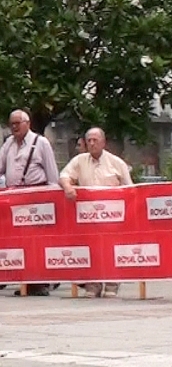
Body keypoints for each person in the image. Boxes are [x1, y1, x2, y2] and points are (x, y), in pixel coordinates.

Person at [0, 109, 59, 297]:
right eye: (11, 124)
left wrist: (52, 196)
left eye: (17, 123)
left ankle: (39, 282)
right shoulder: (9, 143)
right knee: (19, 242)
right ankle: (24, 280)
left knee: (37, 243)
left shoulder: (41, 143)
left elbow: (52, 173)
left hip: (36, 199)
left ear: (27, 123)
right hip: (15, 199)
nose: (14, 127)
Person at [59, 127, 133, 298]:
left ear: (103, 142)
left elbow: (130, 190)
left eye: (95, 140)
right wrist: (68, 186)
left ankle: (112, 284)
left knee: (112, 251)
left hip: (112, 219)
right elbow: (64, 175)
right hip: (88, 218)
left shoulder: (117, 163)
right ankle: (93, 284)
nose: (92, 143)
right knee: (92, 251)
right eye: (89, 140)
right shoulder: (79, 161)